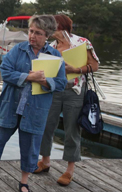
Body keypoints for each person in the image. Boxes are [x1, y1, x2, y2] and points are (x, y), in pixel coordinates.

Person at [0, 15, 67, 192]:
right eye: (31, 31)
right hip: (11, 105)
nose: (32, 36)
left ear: (47, 35)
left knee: (30, 145)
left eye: (38, 33)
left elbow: (62, 83)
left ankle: (24, 181)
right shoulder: (18, 49)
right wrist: (28, 77)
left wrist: (46, 82)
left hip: (35, 110)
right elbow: (5, 71)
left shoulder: (55, 56)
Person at [35, 14, 100, 186]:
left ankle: (69, 170)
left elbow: (94, 66)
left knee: (72, 130)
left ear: (61, 27)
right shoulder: (50, 46)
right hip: (55, 90)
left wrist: (76, 69)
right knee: (47, 125)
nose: (48, 29)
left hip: (75, 91)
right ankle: (45, 161)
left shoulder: (82, 42)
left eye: (51, 26)